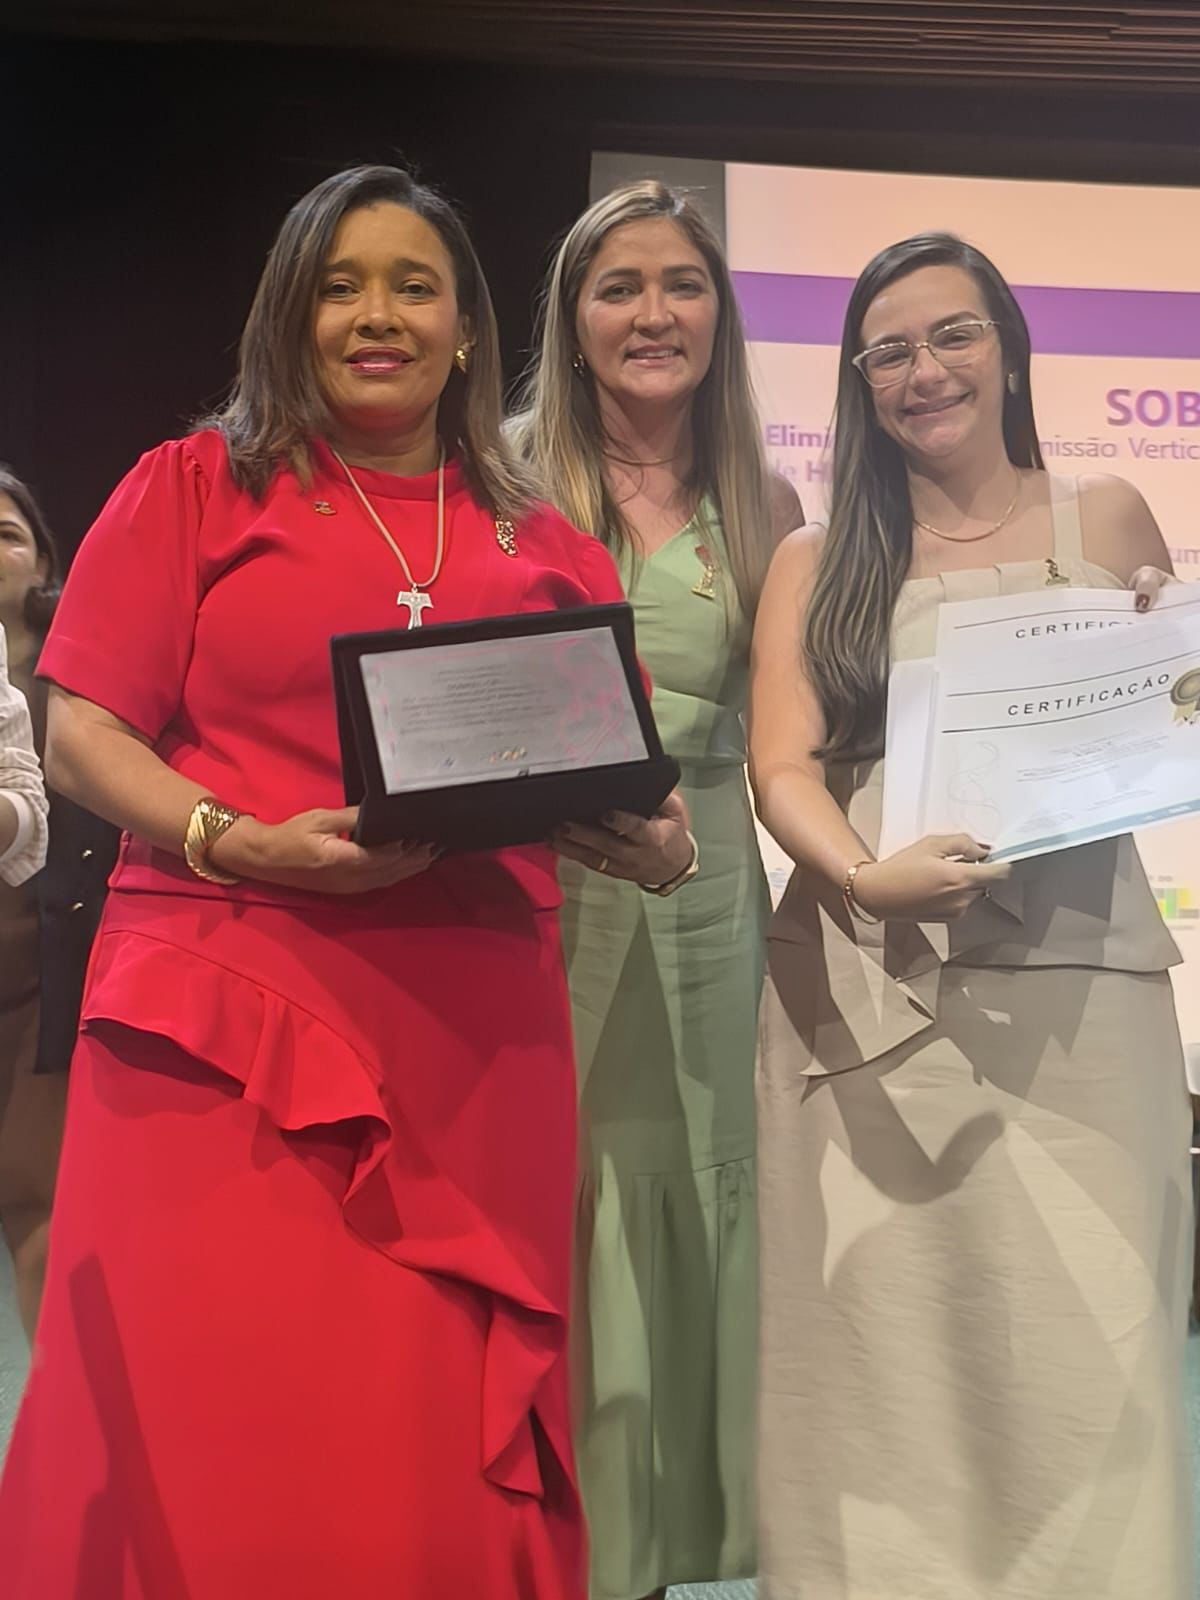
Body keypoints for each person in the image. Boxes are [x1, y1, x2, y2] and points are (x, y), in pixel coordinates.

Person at [0, 164, 692, 1600]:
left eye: (413, 286)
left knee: (420, 1427)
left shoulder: (547, 543)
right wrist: (228, 835)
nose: (377, 316)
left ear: (466, 324)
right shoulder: (192, 490)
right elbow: (81, 734)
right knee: (211, 1407)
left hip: (470, 1040)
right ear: (288, 315)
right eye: (340, 286)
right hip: (217, 1017)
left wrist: (659, 841)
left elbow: (626, 775)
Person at [749, 231, 1192, 1599]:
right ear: (858, 383)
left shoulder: (1106, 514)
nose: (922, 370)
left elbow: (1172, 714)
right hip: (867, 992)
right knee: (881, 1365)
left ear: (1007, 350)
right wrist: (860, 876)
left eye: (953, 335)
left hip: (1085, 993)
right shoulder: (816, 557)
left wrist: (1173, 668)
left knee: (1097, 1354)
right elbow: (782, 765)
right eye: (887, 351)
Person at [511, 179, 802, 1600]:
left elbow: (820, 719)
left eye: (682, 283)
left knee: (692, 1186)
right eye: (617, 285)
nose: (653, 312)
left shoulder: (771, 503)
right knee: (553, 1192)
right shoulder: (503, 478)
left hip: (709, 906)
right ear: (572, 317)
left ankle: (668, 1548)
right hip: (534, 898)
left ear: (719, 313)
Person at [0, 468, 118, 1342]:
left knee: (39, 1199)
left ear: (43, 559)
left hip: (46, 975)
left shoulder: (83, 672)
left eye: (6, 534)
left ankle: (52, 1407)